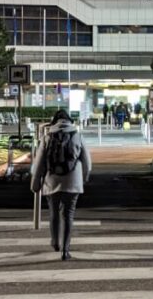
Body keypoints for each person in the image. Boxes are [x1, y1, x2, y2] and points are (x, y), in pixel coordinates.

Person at [31, 110, 92, 261]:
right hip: (73, 181)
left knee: (54, 213)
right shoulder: (78, 136)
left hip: (51, 181)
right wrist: (84, 178)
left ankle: (55, 242)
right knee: (68, 215)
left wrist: (35, 183)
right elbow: (88, 164)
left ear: (54, 121)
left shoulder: (47, 137)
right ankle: (66, 250)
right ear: (70, 121)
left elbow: (38, 164)